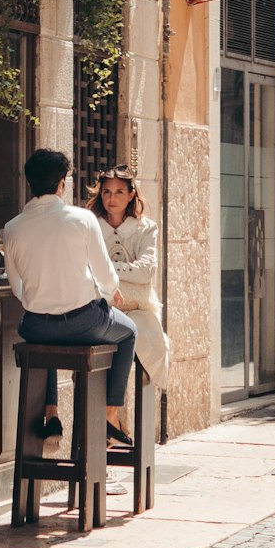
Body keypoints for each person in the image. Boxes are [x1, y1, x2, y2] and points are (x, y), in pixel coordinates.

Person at [3, 147, 137, 447]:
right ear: (62, 182)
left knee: (45, 341)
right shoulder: (82, 219)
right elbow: (106, 278)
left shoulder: (11, 229)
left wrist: (46, 301)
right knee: (129, 332)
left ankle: (51, 417)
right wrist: (108, 292)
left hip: (37, 326)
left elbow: (18, 289)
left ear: (30, 183)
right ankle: (109, 418)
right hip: (84, 323)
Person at [87, 165, 170, 391]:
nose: (111, 198)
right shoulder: (90, 226)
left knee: (147, 339)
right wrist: (124, 274)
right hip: (100, 310)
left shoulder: (145, 229)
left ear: (131, 194)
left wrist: (105, 270)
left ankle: (119, 418)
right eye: (106, 192)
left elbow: (145, 272)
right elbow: (85, 270)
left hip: (138, 310)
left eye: (119, 192)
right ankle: (109, 418)